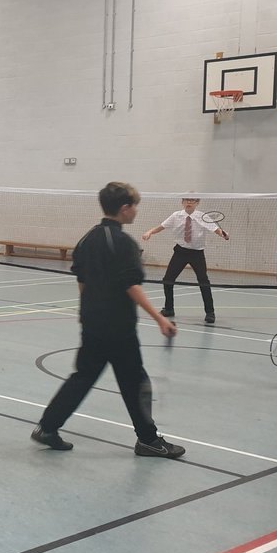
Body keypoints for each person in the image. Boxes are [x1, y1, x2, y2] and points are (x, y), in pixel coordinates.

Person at [32, 181, 185, 459]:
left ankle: (47, 427)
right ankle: (149, 440)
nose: (136, 211)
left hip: (92, 322)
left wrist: (89, 311)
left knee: (83, 376)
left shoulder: (87, 239)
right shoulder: (124, 244)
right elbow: (131, 285)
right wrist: (160, 319)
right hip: (118, 328)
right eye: (134, 206)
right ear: (125, 208)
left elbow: (81, 280)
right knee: (135, 381)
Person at [142, 196, 229, 323]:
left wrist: (223, 234)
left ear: (197, 203)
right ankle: (169, 309)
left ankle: (210, 312)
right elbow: (161, 226)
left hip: (197, 254)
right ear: (182, 202)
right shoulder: (176, 216)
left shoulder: (202, 216)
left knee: (204, 282)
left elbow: (216, 230)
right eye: (186, 200)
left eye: (192, 200)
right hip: (180, 252)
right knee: (167, 280)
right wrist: (150, 232)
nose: (189, 202)